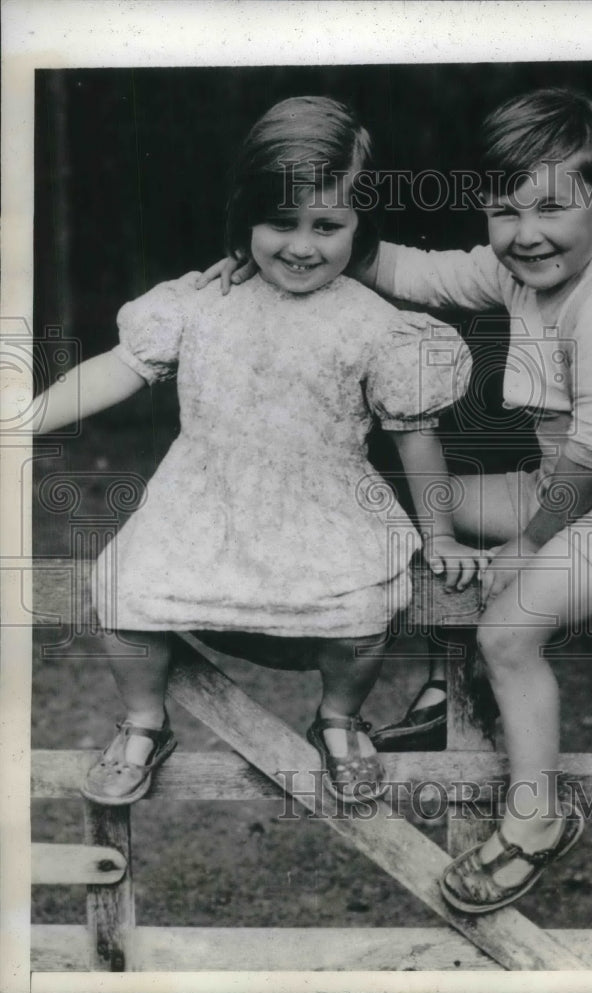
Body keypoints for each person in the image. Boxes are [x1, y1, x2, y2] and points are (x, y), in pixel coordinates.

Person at [200, 88, 592, 910]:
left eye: (551, 207)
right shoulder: (515, 272)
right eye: (504, 211)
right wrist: (300, 243)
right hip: (562, 491)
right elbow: (406, 269)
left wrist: (531, 543)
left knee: (511, 631)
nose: (526, 232)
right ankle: (445, 693)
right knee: (411, 514)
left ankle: (536, 820)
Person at [33, 96, 485, 808]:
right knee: (122, 591)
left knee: (363, 615)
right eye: (280, 223)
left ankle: (338, 719)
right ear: (245, 217)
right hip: (204, 503)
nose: (302, 246)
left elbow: (414, 435)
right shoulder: (202, 301)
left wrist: (439, 533)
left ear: (358, 227)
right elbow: (120, 368)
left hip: (323, 509)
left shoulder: (375, 327)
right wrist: (28, 416)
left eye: (326, 226)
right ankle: (146, 720)